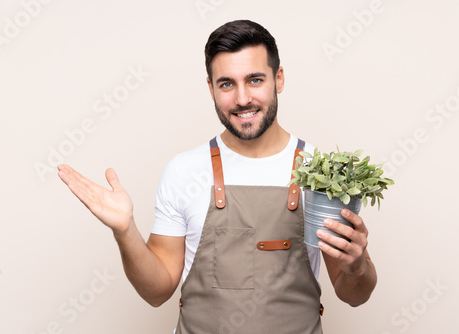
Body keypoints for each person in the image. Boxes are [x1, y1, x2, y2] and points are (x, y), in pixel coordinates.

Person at [57, 20, 377, 333]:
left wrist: (357, 265)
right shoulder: (184, 171)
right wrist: (125, 231)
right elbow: (156, 292)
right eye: (227, 84)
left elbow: (355, 294)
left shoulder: (322, 172)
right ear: (211, 88)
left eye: (254, 80)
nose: (241, 99)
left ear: (278, 79)